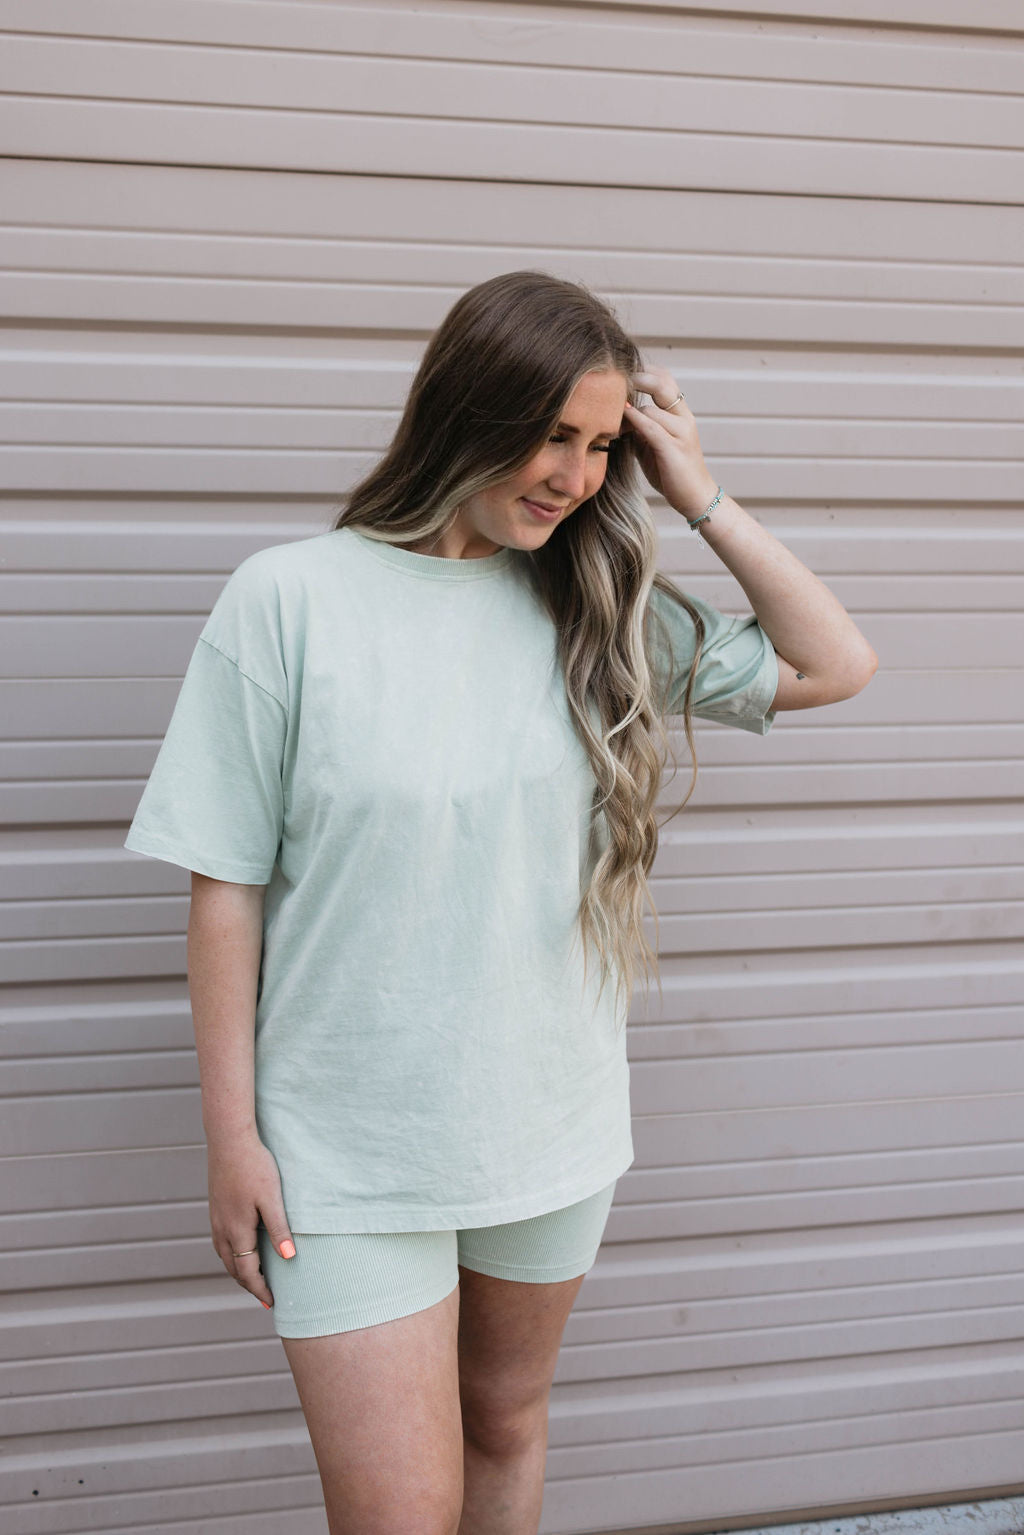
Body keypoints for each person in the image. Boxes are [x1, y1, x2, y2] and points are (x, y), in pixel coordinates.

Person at [124, 270, 877, 1535]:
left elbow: (834, 662)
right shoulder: (291, 599)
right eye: (550, 435)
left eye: (598, 444)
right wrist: (232, 1139)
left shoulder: (594, 609)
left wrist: (694, 492)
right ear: (466, 409)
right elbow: (225, 888)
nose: (575, 474)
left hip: (548, 1124)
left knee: (505, 1427)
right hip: (343, 1148)